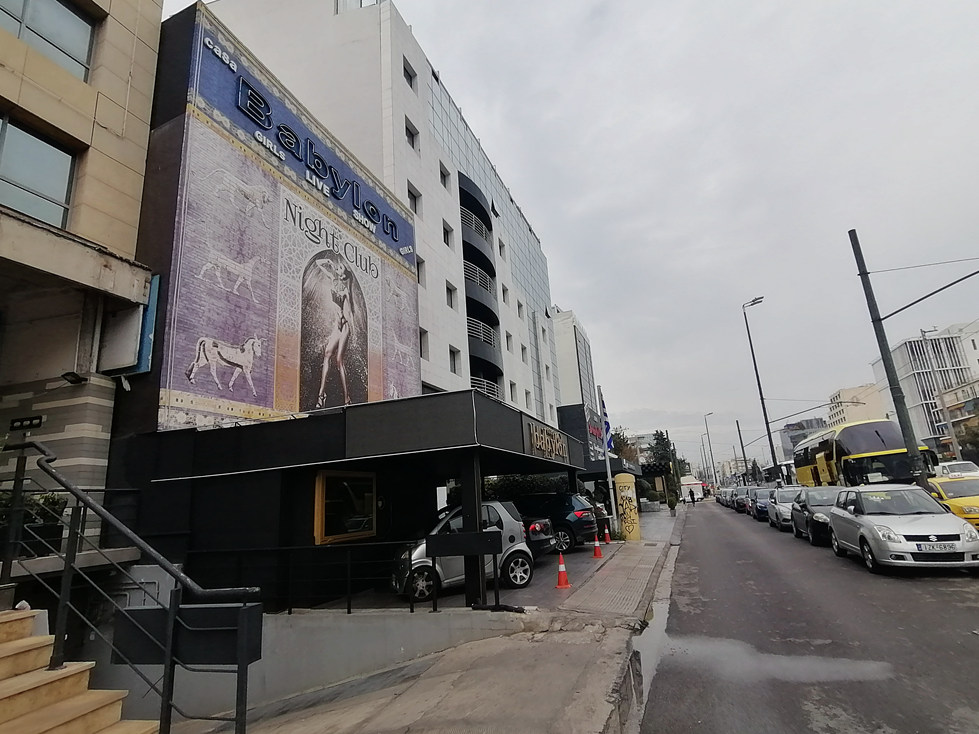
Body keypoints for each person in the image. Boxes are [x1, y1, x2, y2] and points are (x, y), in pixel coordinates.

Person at [315, 259, 355, 408]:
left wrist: (347, 322)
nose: (337, 268)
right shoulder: (333, 279)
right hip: (336, 328)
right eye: (337, 267)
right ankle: (321, 395)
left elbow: (350, 312)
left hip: (344, 326)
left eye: (340, 268)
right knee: (327, 353)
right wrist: (328, 261)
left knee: (339, 360)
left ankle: (347, 398)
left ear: (344, 275)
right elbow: (318, 263)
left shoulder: (346, 291)